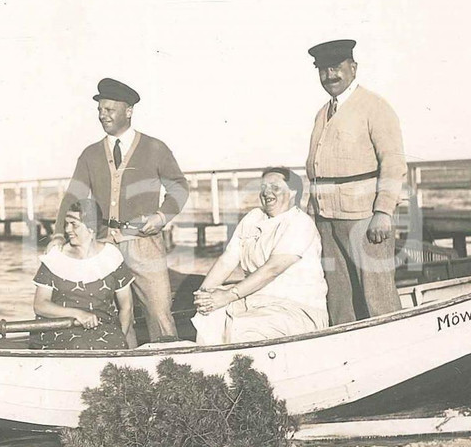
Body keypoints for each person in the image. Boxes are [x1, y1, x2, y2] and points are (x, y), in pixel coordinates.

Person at [49, 78, 190, 343]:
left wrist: (162, 216)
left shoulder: (155, 148)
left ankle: (168, 360)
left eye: (109, 110)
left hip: (145, 244)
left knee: (159, 313)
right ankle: (122, 361)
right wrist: (58, 235)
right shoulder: (90, 154)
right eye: (100, 110)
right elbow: (73, 196)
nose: (103, 115)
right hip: (103, 245)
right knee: (111, 315)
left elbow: (180, 187)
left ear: (129, 111)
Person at [304, 39, 406, 325]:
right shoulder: (322, 113)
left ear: (353, 67)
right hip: (326, 220)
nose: (330, 76)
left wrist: (383, 212)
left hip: (365, 218)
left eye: (336, 68)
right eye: (323, 70)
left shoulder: (375, 107)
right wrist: (312, 214)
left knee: (378, 296)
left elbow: (393, 163)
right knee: (339, 298)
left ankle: (395, 344)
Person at [191, 167, 328, 345]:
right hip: (253, 299)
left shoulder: (300, 222)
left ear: (293, 192)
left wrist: (227, 296)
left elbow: (272, 269)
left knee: (245, 328)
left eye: (275, 187)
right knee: (209, 315)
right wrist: (204, 295)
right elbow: (227, 260)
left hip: (294, 306)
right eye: (263, 187)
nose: (266, 192)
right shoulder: (253, 217)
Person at [32, 199, 136, 350]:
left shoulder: (111, 256)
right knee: (79, 345)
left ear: (91, 227)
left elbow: (127, 307)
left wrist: (120, 337)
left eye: (74, 224)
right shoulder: (55, 256)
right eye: (66, 224)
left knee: (115, 344)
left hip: (102, 330)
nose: (67, 229)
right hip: (58, 329)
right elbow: (40, 305)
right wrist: (78, 314)